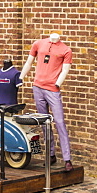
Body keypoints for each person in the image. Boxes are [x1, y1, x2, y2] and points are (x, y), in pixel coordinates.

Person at [20, 33, 74, 171]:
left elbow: (65, 70)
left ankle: (67, 159)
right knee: (44, 122)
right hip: (38, 87)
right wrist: (21, 78)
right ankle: (50, 155)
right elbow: (29, 62)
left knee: (60, 122)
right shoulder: (38, 43)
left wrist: (57, 84)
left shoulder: (66, 50)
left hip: (53, 90)